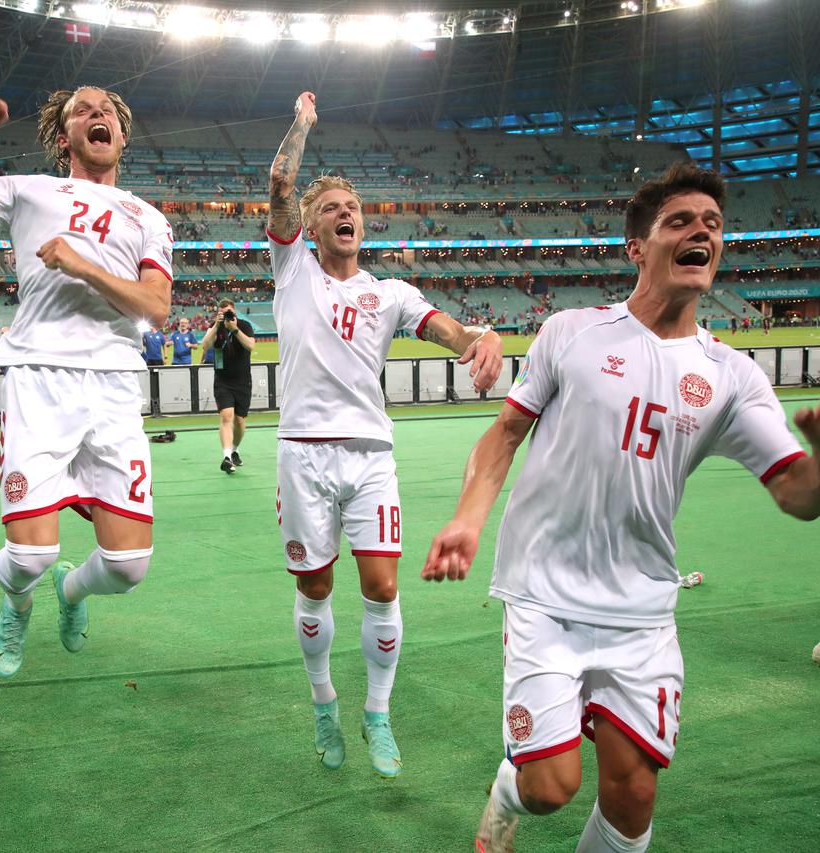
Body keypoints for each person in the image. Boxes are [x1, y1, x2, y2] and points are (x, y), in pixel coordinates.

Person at [421, 162, 820, 852]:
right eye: (681, 222)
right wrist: (467, 517)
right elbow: (503, 434)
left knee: (633, 797)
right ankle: (506, 794)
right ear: (638, 246)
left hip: (642, 612)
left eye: (714, 225)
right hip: (546, 594)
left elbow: (797, 493)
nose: (703, 232)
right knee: (549, 787)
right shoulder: (572, 331)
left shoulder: (732, 375)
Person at [268, 92, 504, 778]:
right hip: (302, 452)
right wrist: (304, 124)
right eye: (333, 208)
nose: (346, 214)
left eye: (354, 208)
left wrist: (477, 338)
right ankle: (322, 702)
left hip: (370, 455)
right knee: (314, 588)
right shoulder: (293, 270)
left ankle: (375, 712)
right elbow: (281, 184)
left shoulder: (390, 292)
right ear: (311, 227)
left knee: (381, 586)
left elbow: (446, 329)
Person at [0, 82, 172, 680]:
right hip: (38, 377)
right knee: (29, 555)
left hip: (114, 386)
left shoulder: (148, 217)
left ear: (122, 135)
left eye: (107, 109)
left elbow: (155, 307)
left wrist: (81, 264)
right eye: (84, 110)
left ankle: (72, 593)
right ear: (66, 137)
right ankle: (18, 599)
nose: (97, 114)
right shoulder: (27, 190)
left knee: (129, 567)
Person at [201, 299, 255, 473]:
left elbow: (250, 345)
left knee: (239, 421)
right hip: (222, 380)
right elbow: (205, 345)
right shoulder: (215, 326)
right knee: (226, 416)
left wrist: (234, 329)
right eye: (223, 313)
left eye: (229, 312)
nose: (227, 316)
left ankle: (234, 450)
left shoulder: (244, 325)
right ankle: (226, 456)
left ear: (235, 312)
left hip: (242, 380)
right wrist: (217, 326)